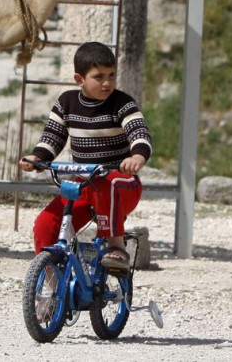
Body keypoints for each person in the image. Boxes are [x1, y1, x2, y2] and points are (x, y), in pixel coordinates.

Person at [19, 41, 152, 270]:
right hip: (84, 184)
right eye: (99, 77)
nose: (107, 82)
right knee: (45, 225)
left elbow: (139, 133)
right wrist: (36, 158)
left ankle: (116, 246)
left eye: (111, 75)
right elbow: (52, 138)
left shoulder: (123, 103)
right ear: (79, 79)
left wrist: (137, 157)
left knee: (107, 184)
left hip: (122, 184)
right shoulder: (66, 103)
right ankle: (49, 291)